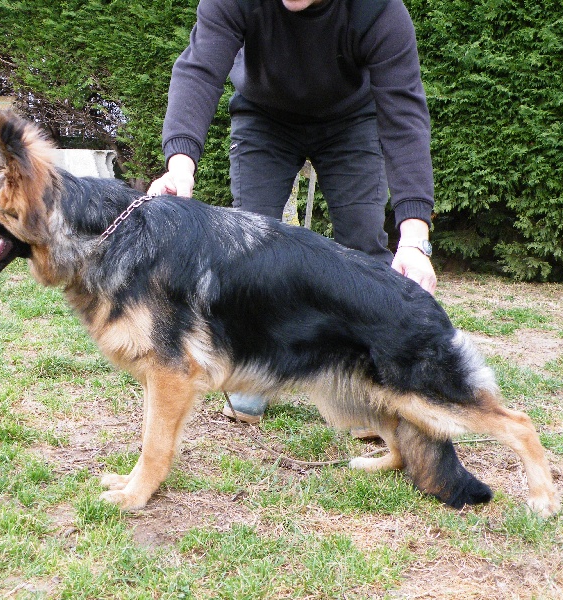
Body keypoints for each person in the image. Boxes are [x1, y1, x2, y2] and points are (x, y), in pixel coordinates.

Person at [148, 0, 437, 424]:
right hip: (264, 118)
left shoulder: (379, 10)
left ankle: (370, 387)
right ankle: (252, 370)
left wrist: (414, 238)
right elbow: (200, 69)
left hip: (351, 122)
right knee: (248, 252)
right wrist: (180, 165)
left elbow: (404, 113)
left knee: (362, 249)